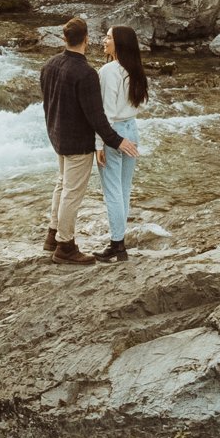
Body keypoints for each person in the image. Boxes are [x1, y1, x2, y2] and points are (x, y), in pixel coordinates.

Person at [39, 16, 139, 265]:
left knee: (61, 185)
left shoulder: (49, 65)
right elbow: (96, 116)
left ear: (64, 38)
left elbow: (47, 102)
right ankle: (65, 246)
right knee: (71, 192)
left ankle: (52, 235)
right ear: (87, 39)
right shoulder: (86, 73)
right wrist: (115, 141)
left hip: (57, 136)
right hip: (78, 142)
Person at [94, 25, 149, 262]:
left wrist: (98, 143)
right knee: (124, 190)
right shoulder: (135, 70)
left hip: (114, 133)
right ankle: (119, 242)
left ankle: (117, 245)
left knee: (113, 192)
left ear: (120, 43)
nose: (104, 40)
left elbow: (105, 112)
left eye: (108, 37)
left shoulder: (109, 70)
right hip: (131, 129)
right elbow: (141, 105)